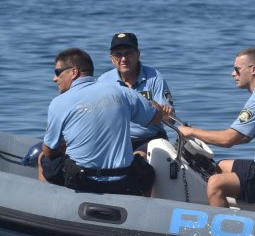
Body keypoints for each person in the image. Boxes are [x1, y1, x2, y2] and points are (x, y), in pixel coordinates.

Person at [177, 48, 255, 211]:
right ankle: (229, 209)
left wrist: (192, 132)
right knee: (221, 166)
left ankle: (221, 234)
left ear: (254, 70)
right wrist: (201, 135)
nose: (232, 74)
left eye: (237, 69)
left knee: (215, 183)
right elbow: (245, 137)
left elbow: (228, 139)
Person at [37, 47, 166, 196]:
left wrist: (60, 147)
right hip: (124, 181)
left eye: (57, 73)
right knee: (147, 171)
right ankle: (140, 210)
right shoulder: (122, 92)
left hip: (82, 180)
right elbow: (156, 116)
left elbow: (48, 151)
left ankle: (47, 204)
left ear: (74, 72)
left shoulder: (58, 103)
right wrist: (155, 106)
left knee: (42, 158)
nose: (55, 79)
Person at [97, 32, 175, 156]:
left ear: (138, 55)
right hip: (115, 141)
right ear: (112, 58)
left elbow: (171, 119)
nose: (123, 59)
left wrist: (167, 115)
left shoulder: (154, 77)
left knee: (139, 158)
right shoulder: (103, 81)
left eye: (128, 53)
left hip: (151, 139)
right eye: (118, 54)